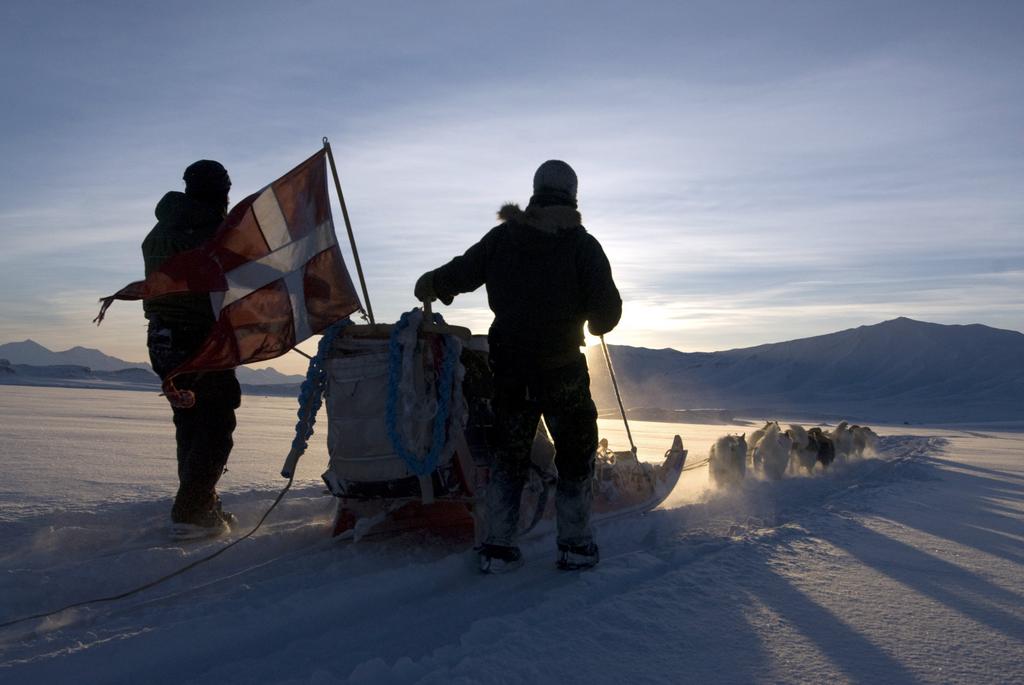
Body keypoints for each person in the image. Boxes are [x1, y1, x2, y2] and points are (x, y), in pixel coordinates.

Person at [415, 160, 622, 572]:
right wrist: (590, 316)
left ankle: (498, 546)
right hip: (563, 371)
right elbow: (607, 315)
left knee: (508, 456)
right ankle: (575, 545)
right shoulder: (583, 246)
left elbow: (459, 273)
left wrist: (431, 284)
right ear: (572, 196)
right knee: (576, 454)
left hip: (509, 372)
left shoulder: (502, 239)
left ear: (535, 192)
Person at [142, 160, 241, 539]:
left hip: (163, 340)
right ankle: (193, 510)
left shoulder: (161, 230)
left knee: (191, 421)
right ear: (221, 190)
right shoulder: (214, 231)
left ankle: (199, 502)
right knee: (215, 424)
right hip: (200, 339)